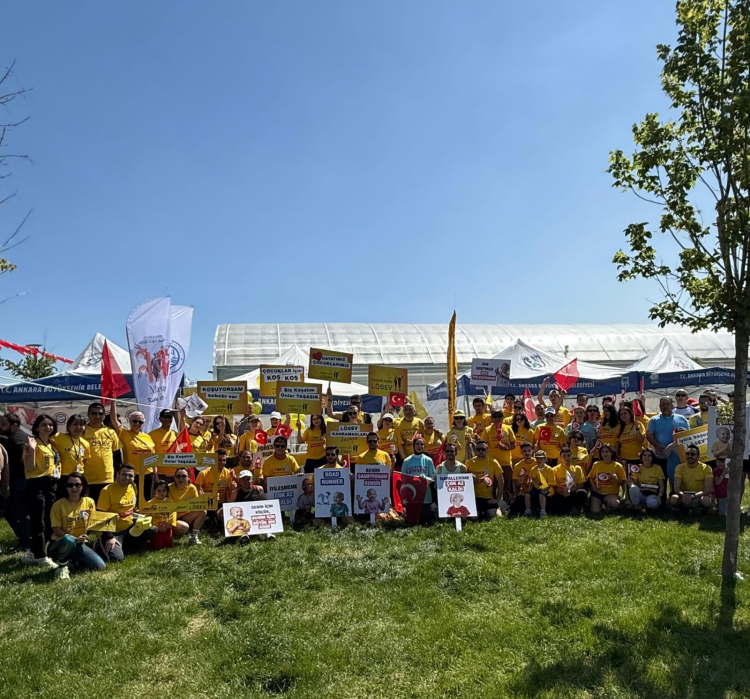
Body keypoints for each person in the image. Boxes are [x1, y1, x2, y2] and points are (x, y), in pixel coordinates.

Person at [48, 472, 106, 577]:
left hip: (79, 543)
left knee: (100, 566)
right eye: (70, 485)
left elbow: (93, 523)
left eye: (77, 485)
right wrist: (74, 539)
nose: (74, 488)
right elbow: (56, 529)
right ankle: (61, 567)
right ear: (66, 487)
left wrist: (110, 522)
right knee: (68, 539)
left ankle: (72, 562)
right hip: (60, 543)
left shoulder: (89, 502)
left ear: (83, 486)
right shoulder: (58, 505)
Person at [23, 414, 61, 568]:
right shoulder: (32, 444)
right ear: (37, 427)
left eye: (50, 424)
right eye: (44, 425)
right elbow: (29, 467)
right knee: (39, 522)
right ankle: (40, 556)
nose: (48, 427)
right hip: (36, 484)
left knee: (50, 520)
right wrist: (32, 450)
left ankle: (33, 552)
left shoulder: (52, 444)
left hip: (51, 484)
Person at [94, 463, 147, 562]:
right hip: (113, 531)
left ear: (134, 477)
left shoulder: (133, 486)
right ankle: (99, 544)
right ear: (117, 474)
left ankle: (125, 545)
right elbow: (100, 517)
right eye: (124, 474)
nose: (127, 478)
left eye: (130, 475)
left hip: (129, 527)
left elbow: (132, 507)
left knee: (152, 529)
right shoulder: (107, 491)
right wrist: (109, 537)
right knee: (117, 559)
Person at [0, 413, 33, 556]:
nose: (0, 428)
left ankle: (27, 543)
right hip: (16, 482)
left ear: (14, 426)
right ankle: (24, 540)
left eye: (3, 425)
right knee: (11, 512)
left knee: (20, 514)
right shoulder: (11, 439)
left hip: (20, 482)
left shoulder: (18, 442)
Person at [109, 403, 156, 501]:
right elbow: (113, 419)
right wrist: (113, 401)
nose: (137, 424)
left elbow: (153, 457)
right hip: (132, 474)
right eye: (135, 421)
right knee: (131, 499)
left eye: (140, 422)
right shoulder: (124, 434)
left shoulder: (148, 437)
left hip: (148, 474)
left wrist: (156, 474)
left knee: (146, 500)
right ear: (130, 421)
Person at [84, 402, 122, 503]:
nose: (97, 416)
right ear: (88, 415)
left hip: (107, 478)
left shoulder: (111, 432)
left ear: (104, 415)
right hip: (87, 479)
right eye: (94, 413)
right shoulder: (82, 432)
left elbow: (117, 456)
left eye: (100, 413)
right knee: (90, 509)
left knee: (106, 508)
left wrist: (118, 475)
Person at [646, 397, 690, 484]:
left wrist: (684, 431)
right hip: (660, 456)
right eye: (663, 405)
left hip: (678, 457)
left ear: (672, 406)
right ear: (659, 406)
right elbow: (649, 435)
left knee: (677, 483)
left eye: (667, 404)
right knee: (661, 482)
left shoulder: (682, 418)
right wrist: (658, 446)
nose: (665, 407)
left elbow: (689, 434)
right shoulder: (654, 420)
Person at [465, 440, 504, 519]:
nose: (480, 451)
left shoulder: (493, 462)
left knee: (496, 516)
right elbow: (463, 479)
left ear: (487, 450)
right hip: (473, 497)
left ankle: (496, 507)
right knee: (473, 518)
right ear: (475, 450)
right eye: (478, 449)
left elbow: (501, 482)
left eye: (483, 449)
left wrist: (497, 499)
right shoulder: (469, 462)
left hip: (488, 497)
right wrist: (470, 477)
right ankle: (481, 512)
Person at [400, 437, 436, 524]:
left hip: (425, 496)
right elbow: (403, 478)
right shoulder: (407, 461)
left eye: (421, 444)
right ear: (413, 445)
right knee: (411, 522)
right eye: (417, 444)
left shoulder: (428, 460)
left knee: (425, 521)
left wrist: (425, 478)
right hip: (412, 496)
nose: (419, 446)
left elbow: (433, 478)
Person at [145, 479, 188, 549]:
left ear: (167, 491)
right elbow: (147, 517)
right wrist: (156, 527)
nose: (161, 493)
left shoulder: (170, 502)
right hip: (157, 529)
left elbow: (173, 515)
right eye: (159, 491)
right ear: (155, 491)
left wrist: (167, 525)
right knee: (158, 546)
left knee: (169, 545)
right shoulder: (150, 503)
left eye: (164, 490)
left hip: (167, 527)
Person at [482, 410, 516, 498]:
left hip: (506, 461)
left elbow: (513, 444)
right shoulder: (487, 429)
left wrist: (506, 448)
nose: (497, 418)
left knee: (507, 483)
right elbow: (484, 444)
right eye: (495, 417)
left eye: (499, 416)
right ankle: (492, 500)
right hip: (492, 462)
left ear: (503, 418)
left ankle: (506, 501)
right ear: (492, 418)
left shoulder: (508, 428)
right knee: (492, 484)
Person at [670, 444, 713, 511]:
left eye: (692, 454)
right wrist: (683, 495)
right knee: (673, 498)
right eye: (687, 454)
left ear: (698, 456)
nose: (689, 456)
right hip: (684, 495)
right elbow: (676, 488)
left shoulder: (706, 468)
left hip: (699, 495)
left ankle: (696, 510)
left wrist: (693, 496)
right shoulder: (679, 467)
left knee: (706, 501)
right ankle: (684, 509)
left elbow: (708, 490)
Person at [169, 467, 206, 544]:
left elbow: (197, 505)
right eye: (178, 476)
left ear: (188, 477)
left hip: (186, 516)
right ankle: (172, 532)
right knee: (184, 527)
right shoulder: (169, 487)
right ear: (174, 477)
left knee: (203, 511)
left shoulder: (192, 488)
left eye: (184, 476)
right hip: (172, 517)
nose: (181, 478)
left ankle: (194, 536)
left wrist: (203, 498)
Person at [547, 446, 588, 515]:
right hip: (561, 494)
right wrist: (562, 493)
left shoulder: (577, 468)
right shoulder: (554, 470)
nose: (566, 458)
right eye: (564, 456)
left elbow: (581, 484)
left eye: (568, 455)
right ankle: (566, 509)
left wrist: (570, 490)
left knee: (582, 492)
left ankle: (578, 508)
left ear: (571, 456)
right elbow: (554, 486)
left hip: (572, 493)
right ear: (560, 457)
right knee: (555, 498)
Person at [51, 415, 90, 485]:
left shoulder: (85, 443)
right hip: (63, 476)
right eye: (75, 424)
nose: (78, 427)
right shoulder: (58, 437)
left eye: (81, 425)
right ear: (69, 426)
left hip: (79, 475)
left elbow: (84, 460)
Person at [512, 444, 549, 517]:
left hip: (539, 491)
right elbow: (516, 485)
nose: (527, 453)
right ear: (521, 452)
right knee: (514, 510)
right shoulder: (517, 466)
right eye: (524, 451)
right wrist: (519, 482)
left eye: (529, 450)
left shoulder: (538, 461)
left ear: (532, 451)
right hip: (524, 492)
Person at [588, 444, 627, 514]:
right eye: (603, 452)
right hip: (598, 493)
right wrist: (594, 487)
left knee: (615, 503)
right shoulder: (596, 464)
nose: (605, 454)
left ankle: (609, 506)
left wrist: (616, 479)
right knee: (595, 511)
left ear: (611, 453)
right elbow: (590, 477)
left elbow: (623, 482)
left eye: (607, 451)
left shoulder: (618, 466)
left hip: (611, 493)